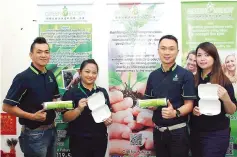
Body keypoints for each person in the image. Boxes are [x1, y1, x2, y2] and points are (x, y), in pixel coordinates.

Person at [2, 37, 60, 157]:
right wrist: (32, 116)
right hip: (34, 135)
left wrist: (59, 105)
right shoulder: (23, 78)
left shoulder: (50, 75)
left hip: (52, 131)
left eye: (46, 52)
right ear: (31, 55)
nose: (43, 55)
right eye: (39, 52)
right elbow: (6, 107)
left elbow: (54, 99)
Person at [144, 35, 196, 157]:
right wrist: (150, 105)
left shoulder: (186, 75)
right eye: (163, 48)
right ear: (158, 51)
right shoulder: (153, 75)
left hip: (178, 132)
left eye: (171, 49)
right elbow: (148, 99)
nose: (167, 52)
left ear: (177, 52)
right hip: (158, 132)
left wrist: (175, 113)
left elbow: (189, 105)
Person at [190, 42, 237, 157]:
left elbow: (231, 111)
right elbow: (188, 104)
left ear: (214, 57)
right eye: (199, 55)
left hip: (217, 133)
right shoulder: (192, 80)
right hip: (195, 132)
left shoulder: (224, 80)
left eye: (207, 55)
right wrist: (193, 110)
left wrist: (226, 99)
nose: (202, 59)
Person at [62, 59, 113, 157]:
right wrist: (78, 109)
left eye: (94, 73)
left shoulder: (102, 92)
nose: (91, 75)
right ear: (80, 72)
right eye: (87, 72)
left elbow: (109, 112)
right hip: (79, 141)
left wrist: (108, 120)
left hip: (99, 140)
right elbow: (65, 118)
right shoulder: (71, 93)